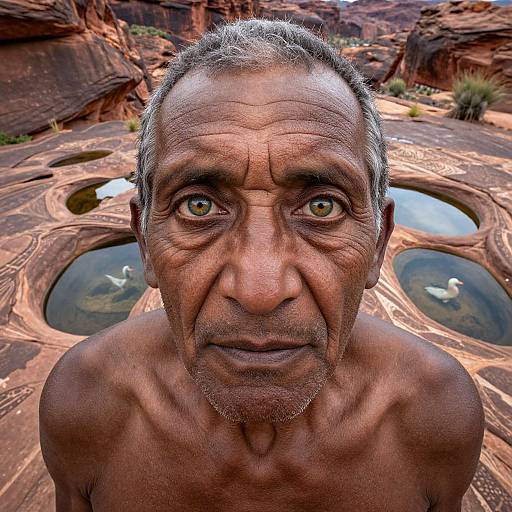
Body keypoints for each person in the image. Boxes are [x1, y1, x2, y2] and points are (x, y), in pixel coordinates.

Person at [40, 19, 484, 511]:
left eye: (323, 206)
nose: (259, 289)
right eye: (198, 206)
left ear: (378, 243)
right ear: (144, 239)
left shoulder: (436, 414)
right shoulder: (84, 404)